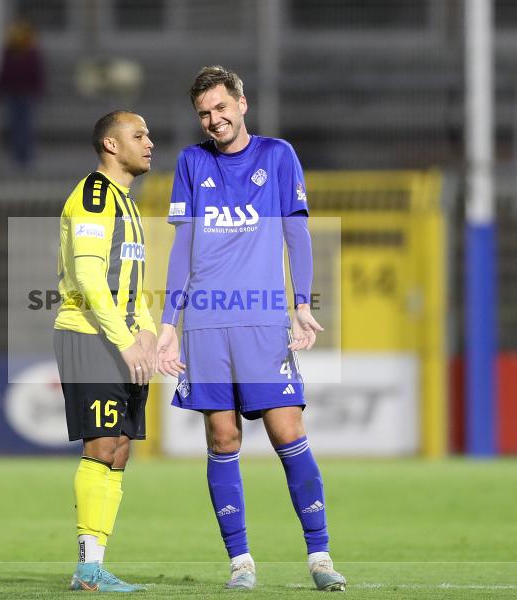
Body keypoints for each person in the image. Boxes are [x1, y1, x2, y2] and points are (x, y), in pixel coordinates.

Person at [156, 66, 347, 592]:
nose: (213, 120)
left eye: (221, 108)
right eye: (204, 113)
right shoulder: (192, 162)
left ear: (242, 103)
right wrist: (168, 322)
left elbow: (298, 233)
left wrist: (301, 303)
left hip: (263, 319)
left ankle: (320, 555)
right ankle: (241, 561)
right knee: (223, 436)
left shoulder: (278, 155)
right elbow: (183, 249)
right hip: (207, 323)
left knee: (288, 431)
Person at [54, 111, 156, 592]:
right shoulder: (95, 196)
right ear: (111, 146)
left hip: (121, 337)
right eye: (138, 136)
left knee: (118, 449)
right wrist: (126, 340)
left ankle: (95, 564)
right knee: (99, 445)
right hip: (90, 334)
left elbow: (131, 282)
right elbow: (92, 279)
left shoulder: (126, 202)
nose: (149, 142)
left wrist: (150, 332)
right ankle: (86, 568)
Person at [0, 18, 45, 164]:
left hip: (26, 95)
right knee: (16, 126)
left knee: (24, 126)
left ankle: (25, 156)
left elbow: (36, 74)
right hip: (13, 95)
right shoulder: (10, 52)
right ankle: (18, 156)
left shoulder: (30, 53)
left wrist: (38, 90)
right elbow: (3, 76)